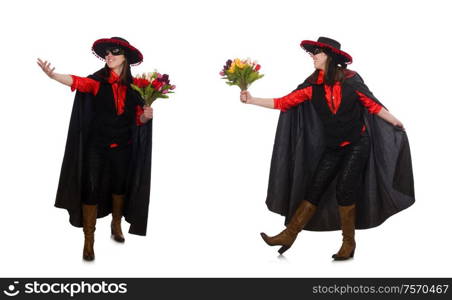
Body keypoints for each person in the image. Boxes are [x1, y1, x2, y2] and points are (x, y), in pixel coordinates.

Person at [240, 37, 415, 260]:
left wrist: (395, 121)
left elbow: (373, 105)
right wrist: (252, 100)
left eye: (317, 53)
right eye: (312, 53)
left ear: (329, 57)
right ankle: (288, 235)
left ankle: (348, 243)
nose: (312, 56)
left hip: (356, 144)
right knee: (315, 188)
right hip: (333, 147)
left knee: (344, 188)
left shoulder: (351, 81)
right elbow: (284, 102)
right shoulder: (312, 86)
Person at [37, 37, 154, 261]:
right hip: (96, 148)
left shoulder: (136, 87)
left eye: (115, 52)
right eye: (106, 53)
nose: (109, 56)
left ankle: (116, 225)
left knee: (119, 187)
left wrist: (145, 117)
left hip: (123, 147)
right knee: (91, 190)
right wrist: (53, 76)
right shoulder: (97, 81)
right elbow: (77, 81)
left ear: (125, 58)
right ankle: (88, 240)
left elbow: (137, 120)